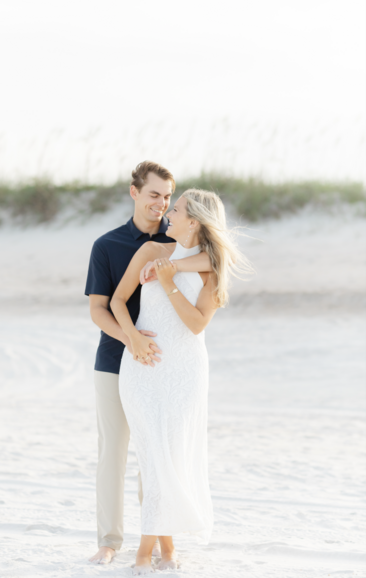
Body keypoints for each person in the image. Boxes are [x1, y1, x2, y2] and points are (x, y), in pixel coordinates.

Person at [111, 188, 252, 574]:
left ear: (195, 221)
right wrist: (132, 338)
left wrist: (170, 280)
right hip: (141, 366)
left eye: (176, 209)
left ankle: (159, 548)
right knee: (153, 455)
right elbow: (116, 302)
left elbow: (194, 324)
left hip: (185, 372)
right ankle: (154, 550)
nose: (167, 214)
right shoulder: (151, 252)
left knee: (169, 457)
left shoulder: (211, 268)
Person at [85, 161, 213, 565]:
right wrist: (132, 340)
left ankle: (159, 540)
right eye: (155, 194)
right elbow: (99, 309)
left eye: (169, 197)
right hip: (115, 359)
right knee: (115, 452)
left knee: (158, 453)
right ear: (135, 193)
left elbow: (214, 262)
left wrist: (169, 268)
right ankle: (108, 541)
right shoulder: (107, 246)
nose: (163, 203)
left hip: (166, 364)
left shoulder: (176, 242)